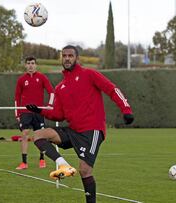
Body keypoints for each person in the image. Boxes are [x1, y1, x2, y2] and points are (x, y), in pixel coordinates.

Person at [26, 45, 134, 203]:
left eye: (70, 55)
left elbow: (112, 89)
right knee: (38, 135)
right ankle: (63, 165)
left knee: (85, 170)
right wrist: (40, 110)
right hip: (73, 130)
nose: (67, 58)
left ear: (77, 58)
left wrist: (126, 109)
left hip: (92, 130)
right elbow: (59, 115)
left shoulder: (89, 74)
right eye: (64, 56)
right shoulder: (60, 87)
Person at [14, 56, 54, 170]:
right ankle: (24, 162)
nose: (30, 65)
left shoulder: (42, 77)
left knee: (40, 136)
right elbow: (17, 98)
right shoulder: (21, 80)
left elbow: (51, 92)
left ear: (36, 65)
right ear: (25, 65)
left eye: (32, 63)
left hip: (38, 111)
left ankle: (42, 159)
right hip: (25, 111)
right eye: (28, 63)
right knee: (25, 134)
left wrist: (49, 106)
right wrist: (17, 113)